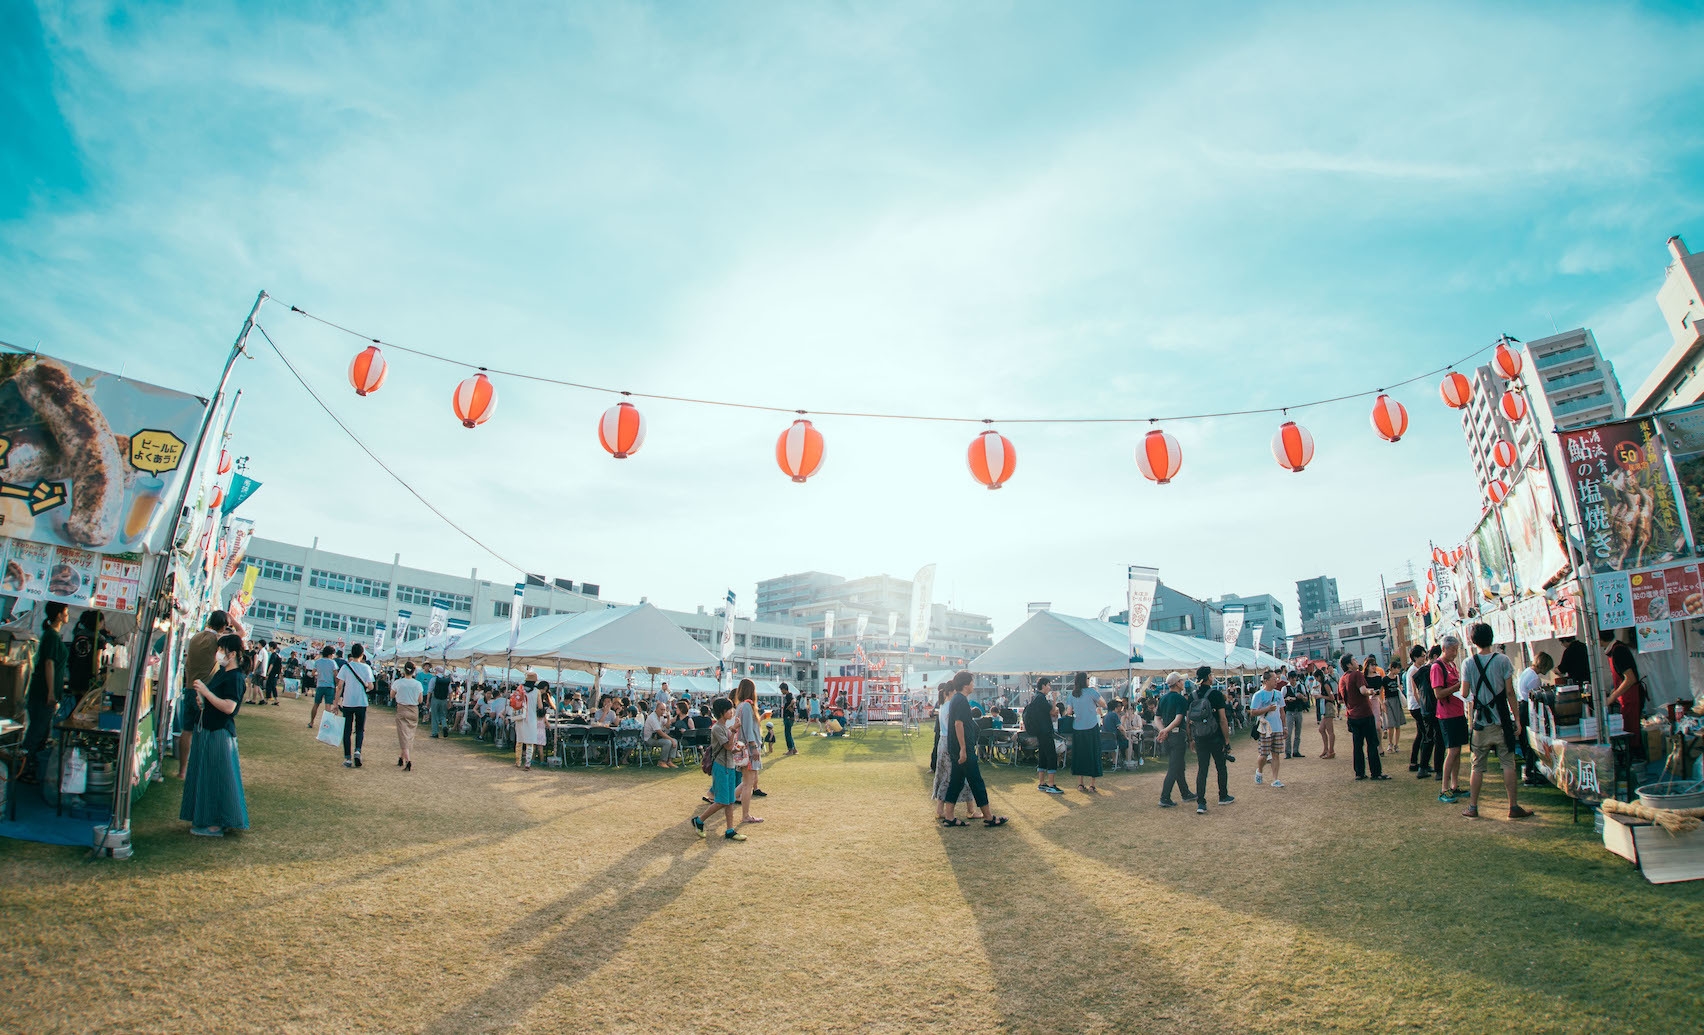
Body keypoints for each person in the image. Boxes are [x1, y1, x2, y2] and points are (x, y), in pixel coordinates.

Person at [179, 632, 251, 836]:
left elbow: (229, 707)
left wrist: (206, 692)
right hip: (209, 728)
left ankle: (217, 823)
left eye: (222, 650)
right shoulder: (222, 673)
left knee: (219, 778)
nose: (218, 654)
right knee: (209, 775)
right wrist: (203, 698)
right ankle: (210, 819)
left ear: (233, 653)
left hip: (220, 732)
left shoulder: (236, 678)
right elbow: (215, 699)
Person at [1461, 622, 1532, 820]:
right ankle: (1513, 806)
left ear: (1473, 641)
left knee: (1477, 766)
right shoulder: (1503, 660)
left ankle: (1473, 807)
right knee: (1508, 763)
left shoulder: (1468, 663)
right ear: (1491, 638)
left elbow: (1465, 692)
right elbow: (1510, 692)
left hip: (1480, 723)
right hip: (1501, 719)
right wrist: (1517, 719)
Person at [942, 671, 1007, 827]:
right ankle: (989, 817)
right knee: (976, 781)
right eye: (972, 682)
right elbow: (958, 724)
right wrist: (963, 749)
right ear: (965, 685)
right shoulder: (961, 701)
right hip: (962, 749)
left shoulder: (958, 699)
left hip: (958, 748)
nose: (973, 685)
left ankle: (949, 816)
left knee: (956, 782)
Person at [19, 602, 71, 784]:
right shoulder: (51, 637)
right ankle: (21, 770)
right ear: (58, 615)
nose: (68, 614)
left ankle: (30, 769)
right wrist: (50, 693)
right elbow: (49, 663)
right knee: (36, 733)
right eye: (65, 612)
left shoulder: (53, 635)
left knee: (41, 734)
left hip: (46, 693)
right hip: (42, 694)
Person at [174, 610, 229, 779]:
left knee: (187, 730)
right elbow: (239, 636)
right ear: (223, 626)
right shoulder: (217, 641)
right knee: (205, 732)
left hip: (190, 688)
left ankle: (182, 771)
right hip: (206, 692)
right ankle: (198, 771)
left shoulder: (196, 637)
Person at [691, 698, 748, 842]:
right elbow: (728, 747)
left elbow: (731, 749)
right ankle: (699, 820)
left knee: (730, 801)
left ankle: (730, 830)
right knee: (722, 801)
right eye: (728, 709)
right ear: (722, 712)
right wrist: (734, 731)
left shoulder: (724, 728)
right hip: (721, 766)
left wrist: (739, 748)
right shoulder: (717, 728)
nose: (731, 712)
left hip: (729, 765)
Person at [1188, 665, 1233, 814]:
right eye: (1212, 675)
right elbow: (1222, 719)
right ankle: (1223, 795)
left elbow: (1189, 721)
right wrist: (1226, 740)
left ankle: (1201, 802)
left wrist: (1191, 739)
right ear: (1208, 677)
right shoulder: (1215, 694)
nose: (1213, 677)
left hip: (1200, 737)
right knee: (1221, 766)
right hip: (1215, 736)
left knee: (1202, 769)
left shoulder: (1192, 695)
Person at [1599, 630, 1648, 766]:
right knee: (1629, 731)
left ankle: (1637, 763)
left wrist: (1613, 696)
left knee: (1632, 733)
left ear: (1600, 639)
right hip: (1625, 698)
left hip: (1632, 697)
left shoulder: (1619, 651)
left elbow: (1630, 678)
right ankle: (1633, 760)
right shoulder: (1614, 650)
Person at [1431, 635, 1468, 804]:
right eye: (1453, 650)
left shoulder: (1452, 665)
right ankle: (1444, 788)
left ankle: (1455, 785)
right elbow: (1438, 694)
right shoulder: (1437, 667)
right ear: (1444, 649)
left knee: (1458, 750)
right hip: (1447, 714)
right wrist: (1456, 687)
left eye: (1457, 649)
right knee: (1452, 750)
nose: (1455, 653)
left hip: (1458, 710)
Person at [933, 686, 977, 821]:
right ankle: (970, 810)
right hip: (952, 742)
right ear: (951, 692)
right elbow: (958, 726)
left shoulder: (943, 706)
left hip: (943, 742)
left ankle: (941, 809)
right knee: (960, 776)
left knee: (944, 776)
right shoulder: (951, 706)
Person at [1340, 653, 1387, 780]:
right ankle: (1376, 772)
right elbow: (1363, 691)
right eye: (1354, 660)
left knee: (1357, 745)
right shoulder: (1357, 674)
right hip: (1364, 713)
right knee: (1372, 743)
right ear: (1349, 664)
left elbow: (1340, 699)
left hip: (1352, 715)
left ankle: (1359, 773)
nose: (1356, 661)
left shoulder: (1342, 679)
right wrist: (1371, 691)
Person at [1155, 672, 1195, 808]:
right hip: (1177, 735)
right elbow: (1179, 718)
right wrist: (1165, 730)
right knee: (1174, 766)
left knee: (1178, 765)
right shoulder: (1181, 699)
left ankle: (1185, 792)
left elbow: (1157, 718)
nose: (1183, 683)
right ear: (1177, 683)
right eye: (1182, 681)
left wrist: (1163, 730)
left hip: (1168, 736)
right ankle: (1165, 797)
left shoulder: (1163, 698)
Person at [334, 643, 374, 768]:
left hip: (348, 702)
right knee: (360, 729)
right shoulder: (366, 668)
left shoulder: (346, 667)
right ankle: (357, 750)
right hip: (361, 702)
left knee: (347, 730)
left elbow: (340, 686)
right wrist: (366, 687)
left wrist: (335, 703)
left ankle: (347, 758)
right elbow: (371, 686)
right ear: (362, 655)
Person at [1516, 652, 1553, 786]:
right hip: (1528, 707)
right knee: (1531, 740)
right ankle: (1530, 773)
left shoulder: (1527, 671)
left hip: (1522, 705)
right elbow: (1536, 697)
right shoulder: (1534, 678)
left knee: (1526, 740)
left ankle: (1529, 770)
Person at [1022, 679, 1062, 794]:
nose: (1049, 688)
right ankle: (1051, 784)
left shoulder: (1035, 697)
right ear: (1043, 686)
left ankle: (1041, 783)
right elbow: (1053, 712)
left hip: (1039, 731)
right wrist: (1054, 699)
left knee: (1043, 755)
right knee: (1051, 755)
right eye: (1049, 685)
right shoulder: (1041, 698)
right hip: (1045, 731)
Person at [1067, 672, 1104, 793]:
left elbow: (1068, 712)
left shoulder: (1072, 694)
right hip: (1091, 726)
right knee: (1093, 754)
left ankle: (1080, 784)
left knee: (1080, 755)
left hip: (1078, 727)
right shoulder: (1091, 692)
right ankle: (1092, 785)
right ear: (1085, 680)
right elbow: (1103, 703)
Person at [734, 680, 765, 824]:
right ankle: (745, 815)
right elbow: (747, 730)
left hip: (743, 748)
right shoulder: (746, 706)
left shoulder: (740, 706)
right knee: (748, 783)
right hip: (748, 749)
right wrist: (753, 747)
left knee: (747, 781)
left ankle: (729, 799)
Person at [1405, 645, 1438, 780]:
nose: (1424, 658)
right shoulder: (1413, 671)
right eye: (1422, 656)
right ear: (1415, 658)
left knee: (1422, 734)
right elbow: (1416, 692)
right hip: (1416, 706)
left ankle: (1417, 763)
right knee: (1425, 735)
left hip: (1418, 706)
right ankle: (1419, 764)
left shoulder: (1417, 669)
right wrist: (1423, 706)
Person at [1249, 671, 1286, 788]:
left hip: (1277, 728)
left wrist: (1284, 727)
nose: (1276, 681)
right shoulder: (1258, 695)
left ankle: (1275, 779)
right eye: (1274, 679)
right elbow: (1253, 712)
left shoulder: (1278, 694)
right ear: (1266, 681)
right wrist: (1267, 709)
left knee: (1276, 754)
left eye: (1276, 679)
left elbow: (1282, 711)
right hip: (1265, 729)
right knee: (1264, 754)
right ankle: (1259, 770)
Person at [391, 661, 423, 771]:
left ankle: (408, 760)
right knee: (408, 736)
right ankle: (401, 757)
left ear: (404, 670)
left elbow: (392, 695)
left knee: (403, 735)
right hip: (414, 710)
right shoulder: (418, 684)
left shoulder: (398, 682)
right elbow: (420, 700)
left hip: (402, 708)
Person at [514, 672, 547, 771]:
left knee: (519, 740)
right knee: (530, 742)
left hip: (520, 717)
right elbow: (540, 706)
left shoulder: (520, 689)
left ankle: (518, 762)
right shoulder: (536, 691)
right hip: (532, 718)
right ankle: (527, 763)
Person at [1380, 655, 1406, 755]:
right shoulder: (1385, 679)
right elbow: (1381, 692)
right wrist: (1382, 704)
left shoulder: (1397, 678)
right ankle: (1390, 743)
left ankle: (1396, 744)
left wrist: (1400, 688)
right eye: (1397, 668)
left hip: (1397, 701)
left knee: (1397, 725)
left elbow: (1399, 689)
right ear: (1392, 668)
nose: (1398, 671)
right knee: (1391, 724)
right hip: (1389, 701)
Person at [643, 699, 680, 768]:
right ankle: (662, 761)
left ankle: (669, 761)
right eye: (661, 709)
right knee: (668, 742)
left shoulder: (662, 716)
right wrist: (671, 739)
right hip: (649, 739)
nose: (663, 711)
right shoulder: (652, 717)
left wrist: (668, 718)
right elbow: (660, 732)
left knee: (674, 741)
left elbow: (668, 727)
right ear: (656, 709)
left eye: (664, 710)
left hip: (657, 737)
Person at [309, 645, 338, 732]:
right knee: (328, 706)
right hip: (329, 686)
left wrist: (319, 674)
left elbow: (313, 673)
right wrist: (337, 684)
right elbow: (336, 675)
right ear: (330, 654)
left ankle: (311, 722)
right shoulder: (332, 663)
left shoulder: (318, 662)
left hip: (320, 685)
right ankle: (327, 724)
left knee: (316, 704)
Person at [1283, 671, 1309, 759]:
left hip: (1299, 710)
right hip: (1289, 712)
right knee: (1288, 733)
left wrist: (1302, 697)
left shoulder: (1301, 686)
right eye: (1292, 678)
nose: (1293, 680)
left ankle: (1296, 751)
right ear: (1289, 679)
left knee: (1298, 732)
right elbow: (1281, 700)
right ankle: (1288, 752)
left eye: (1294, 678)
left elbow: (1306, 699)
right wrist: (1287, 699)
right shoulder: (1285, 688)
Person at [1313, 669, 1338, 759]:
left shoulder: (1326, 684)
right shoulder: (1323, 683)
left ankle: (1331, 751)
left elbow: (1331, 697)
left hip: (1328, 707)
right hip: (1326, 707)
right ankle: (1326, 749)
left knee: (1330, 731)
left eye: (1316, 678)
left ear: (1319, 677)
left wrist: (1321, 696)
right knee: (1322, 729)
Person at [424, 663, 452, 737]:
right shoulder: (446, 680)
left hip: (435, 698)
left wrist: (427, 701)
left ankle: (435, 733)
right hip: (444, 699)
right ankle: (444, 725)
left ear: (436, 671)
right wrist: (449, 701)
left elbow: (429, 691)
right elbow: (450, 692)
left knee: (435, 715)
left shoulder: (434, 679)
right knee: (443, 715)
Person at [780, 682, 798, 755]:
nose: (781, 691)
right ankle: (794, 749)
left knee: (787, 733)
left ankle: (790, 749)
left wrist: (789, 706)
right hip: (790, 717)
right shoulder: (790, 695)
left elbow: (794, 700)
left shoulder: (789, 695)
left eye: (781, 690)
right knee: (789, 733)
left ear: (784, 689)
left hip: (788, 717)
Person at [263, 642, 283, 706]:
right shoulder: (277, 655)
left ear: (271, 647)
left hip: (272, 673)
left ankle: (268, 700)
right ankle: (275, 700)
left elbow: (271, 665)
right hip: (276, 673)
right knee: (272, 686)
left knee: (269, 686)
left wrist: (267, 673)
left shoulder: (273, 655)